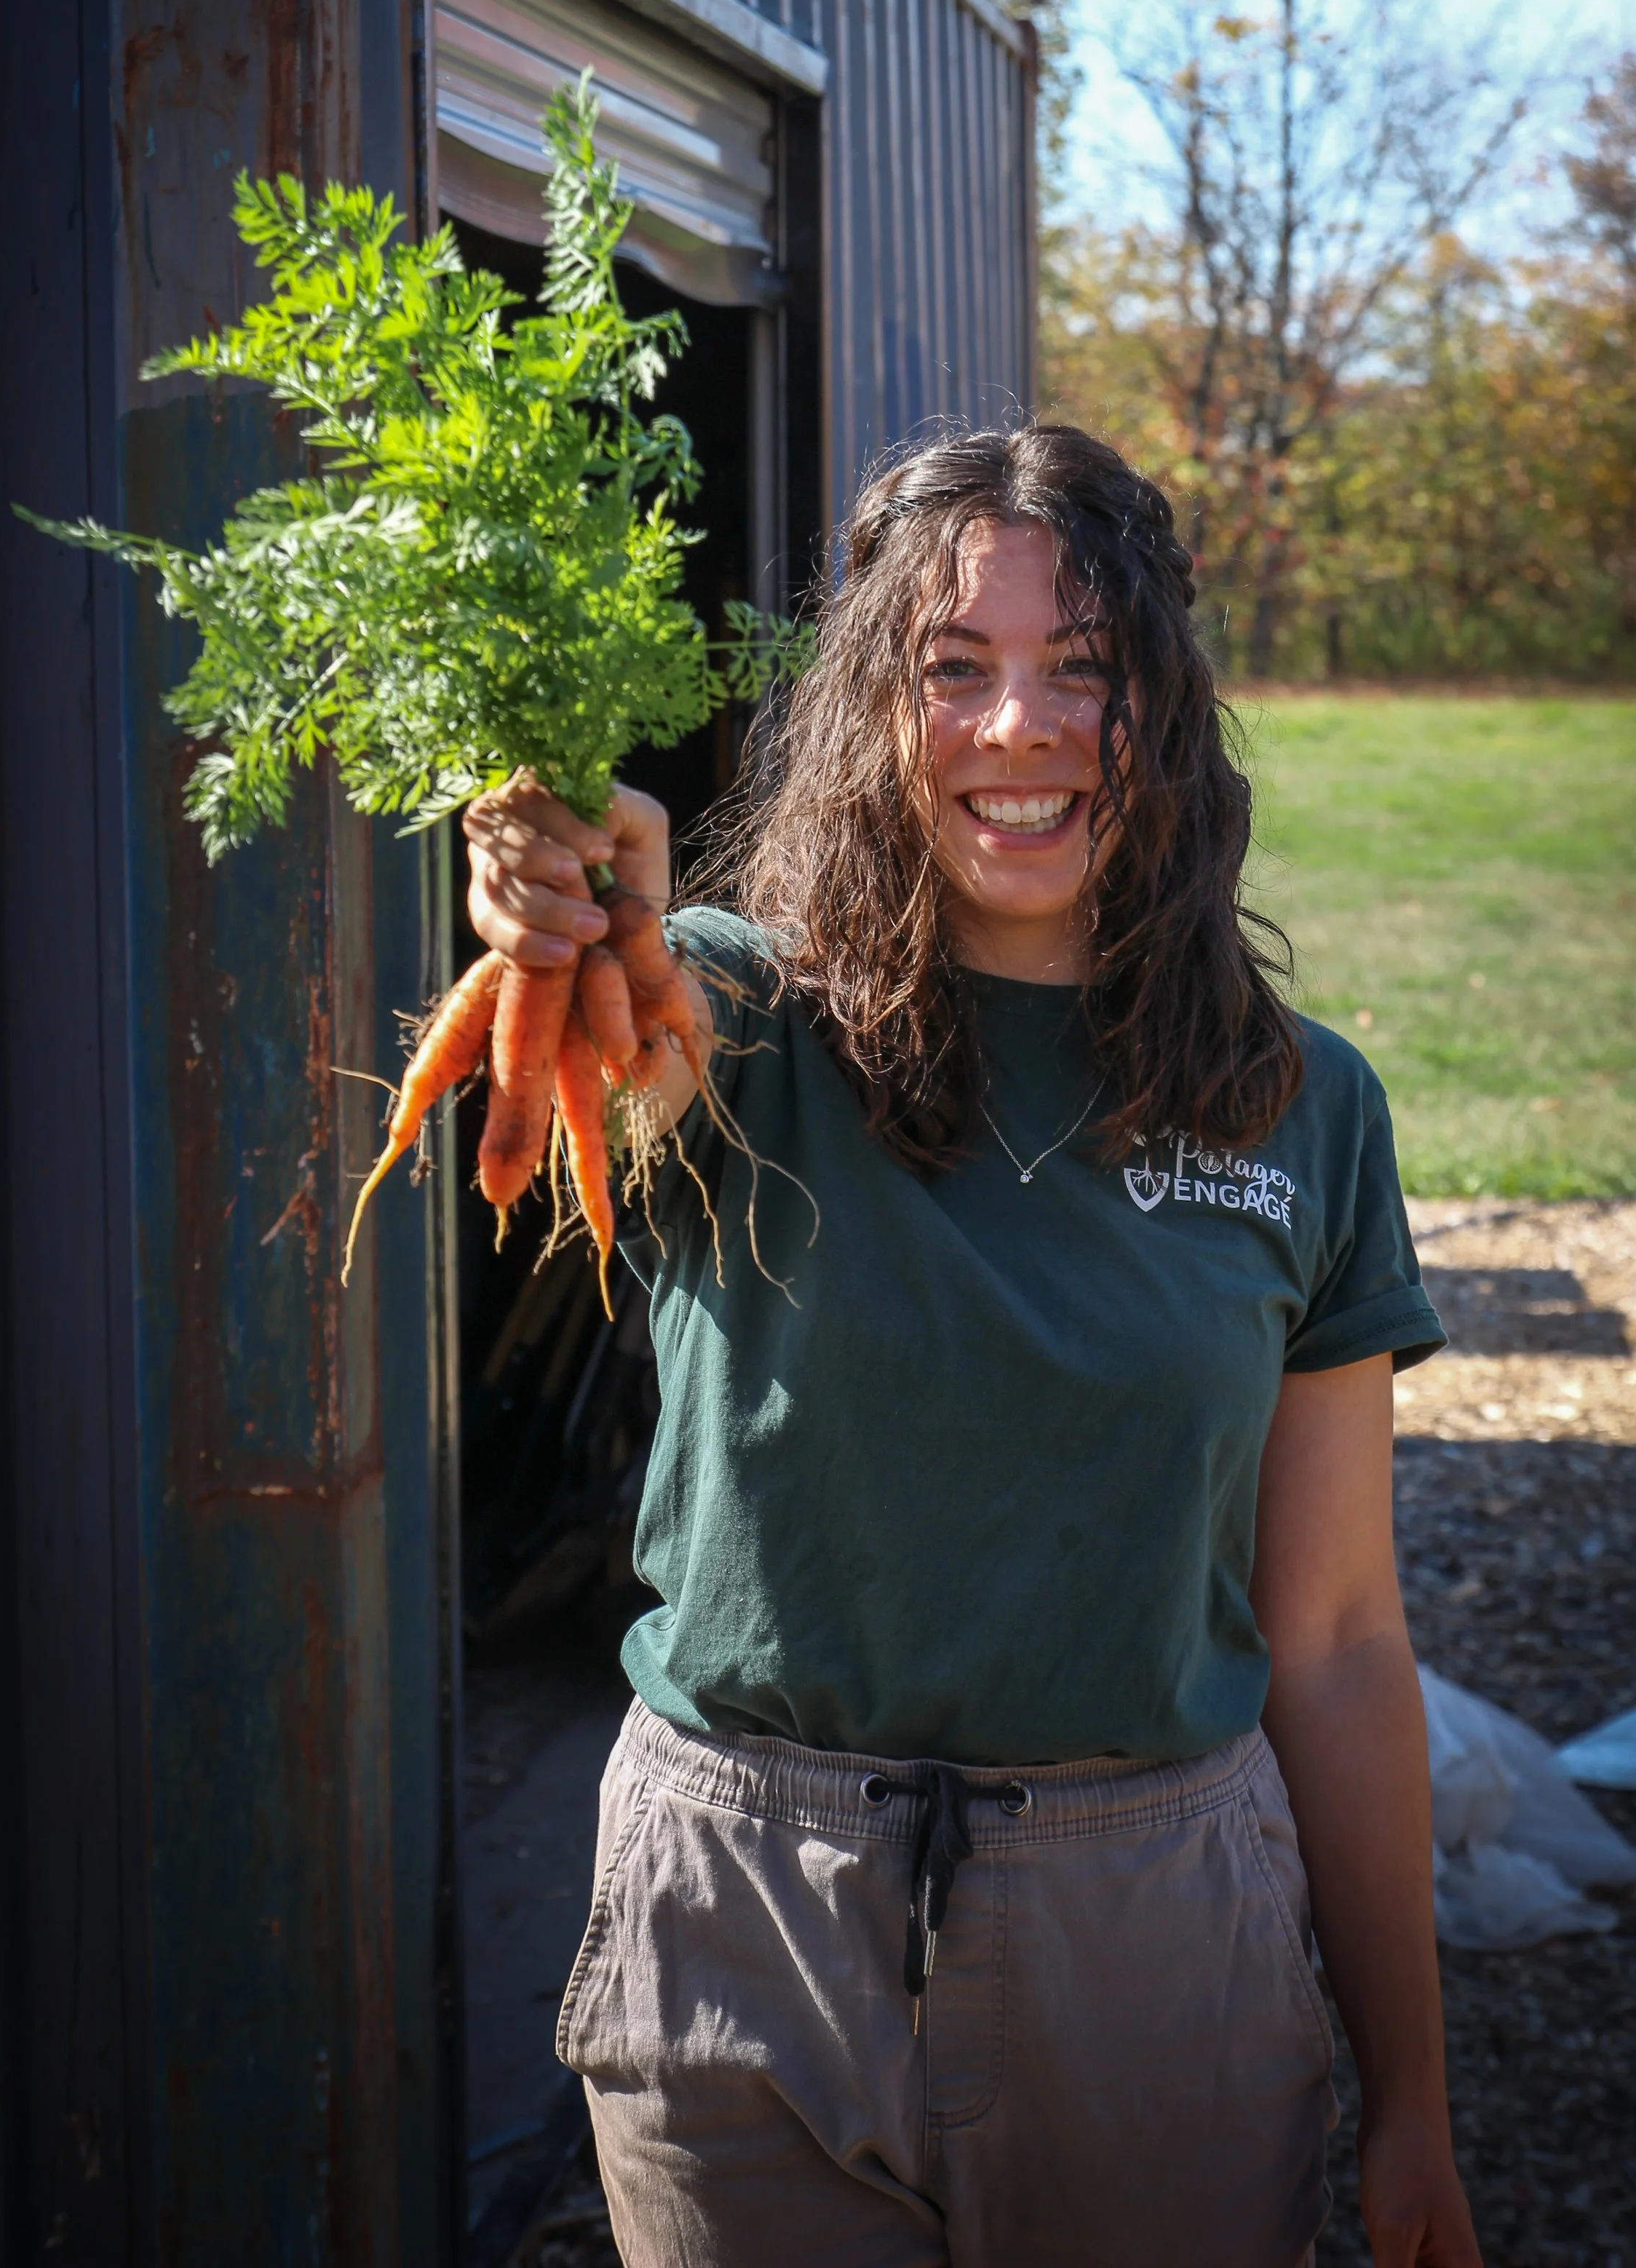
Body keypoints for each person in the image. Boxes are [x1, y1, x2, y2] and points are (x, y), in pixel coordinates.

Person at [463, 424, 1481, 2268]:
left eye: (1080, 671)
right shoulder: (731, 1014)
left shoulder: (1300, 1108)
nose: (1018, 727)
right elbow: (607, 1051)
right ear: (872, 713)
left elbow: (1334, 1637)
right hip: (746, 1915)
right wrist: (569, 922)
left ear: (1163, 712)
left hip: (1153, 1929)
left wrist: (1409, 2100)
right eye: (953, 671)